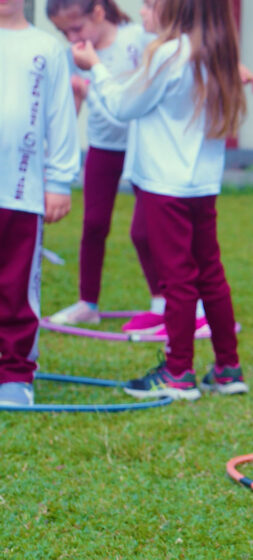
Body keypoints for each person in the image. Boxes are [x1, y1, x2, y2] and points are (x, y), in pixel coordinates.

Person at [70, 0, 248, 400]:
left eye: (151, 5)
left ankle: (178, 372)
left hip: (165, 186)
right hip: (201, 184)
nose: (144, 12)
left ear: (177, 11)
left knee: (177, 278)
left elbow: (122, 108)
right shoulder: (217, 51)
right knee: (210, 274)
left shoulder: (166, 55)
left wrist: (95, 66)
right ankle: (227, 368)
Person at [45, 0, 166, 331]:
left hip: (142, 145)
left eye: (77, 28)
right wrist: (76, 96)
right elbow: (72, 111)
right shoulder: (75, 55)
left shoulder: (138, 38)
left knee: (146, 229)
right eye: (63, 32)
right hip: (102, 145)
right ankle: (88, 303)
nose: (72, 38)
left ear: (98, 13)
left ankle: (162, 302)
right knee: (94, 224)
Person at [0, 0, 81, 406]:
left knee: (15, 285)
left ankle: (15, 373)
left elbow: (59, 116)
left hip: (20, 188)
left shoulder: (46, 48)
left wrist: (59, 180)